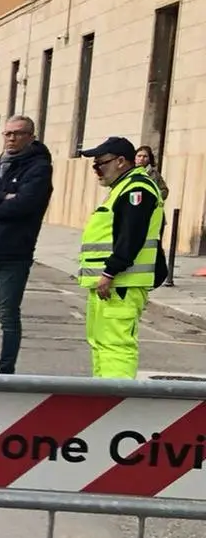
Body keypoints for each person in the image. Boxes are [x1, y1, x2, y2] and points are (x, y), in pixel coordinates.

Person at [75, 136, 167, 378]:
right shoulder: (124, 187)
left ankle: (114, 403)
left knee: (116, 345)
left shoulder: (137, 188)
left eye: (100, 164)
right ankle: (102, 398)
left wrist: (110, 272)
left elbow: (132, 235)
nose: (96, 171)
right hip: (111, 283)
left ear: (120, 161)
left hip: (121, 283)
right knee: (101, 342)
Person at [0, 115, 53, 374]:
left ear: (31, 137)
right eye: (7, 134)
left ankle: (6, 371)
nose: (11, 138)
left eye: (17, 133)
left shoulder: (38, 169)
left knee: (7, 314)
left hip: (14, 253)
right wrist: (1, 197)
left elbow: (23, 206)